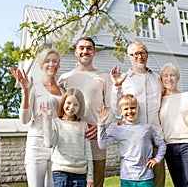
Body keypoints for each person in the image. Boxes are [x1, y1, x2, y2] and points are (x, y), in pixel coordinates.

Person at [57, 36, 115, 187]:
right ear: (75, 52)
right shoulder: (65, 78)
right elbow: (59, 110)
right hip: (71, 145)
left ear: (94, 52)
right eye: (81, 48)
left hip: (95, 142)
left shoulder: (104, 78)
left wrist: (100, 128)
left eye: (89, 48)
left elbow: (112, 108)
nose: (85, 51)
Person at [110, 41, 166, 187]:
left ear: (147, 55)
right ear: (129, 57)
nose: (139, 56)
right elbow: (115, 108)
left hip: (156, 137)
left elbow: (167, 99)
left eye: (142, 52)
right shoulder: (123, 79)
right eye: (135, 54)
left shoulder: (157, 78)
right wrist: (116, 87)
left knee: (158, 182)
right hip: (135, 143)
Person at [10, 48, 62, 187]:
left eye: (54, 61)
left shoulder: (62, 89)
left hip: (57, 145)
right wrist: (25, 91)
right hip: (37, 144)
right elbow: (24, 119)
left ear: (59, 64)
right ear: (41, 65)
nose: (51, 64)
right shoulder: (33, 86)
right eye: (47, 61)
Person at [97, 94, 166, 187]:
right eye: (126, 109)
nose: (129, 111)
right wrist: (101, 124)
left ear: (138, 108)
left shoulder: (147, 128)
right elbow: (102, 145)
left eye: (133, 108)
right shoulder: (118, 129)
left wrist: (157, 159)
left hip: (146, 178)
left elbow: (162, 144)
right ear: (121, 111)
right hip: (127, 178)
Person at [41, 88, 94, 187]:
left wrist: (90, 177)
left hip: (80, 174)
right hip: (61, 173)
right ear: (63, 103)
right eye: (68, 103)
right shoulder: (55, 123)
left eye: (76, 104)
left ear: (80, 107)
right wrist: (47, 119)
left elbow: (88, 152)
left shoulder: (83, 125)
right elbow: (49, 143)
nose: (71, 107)